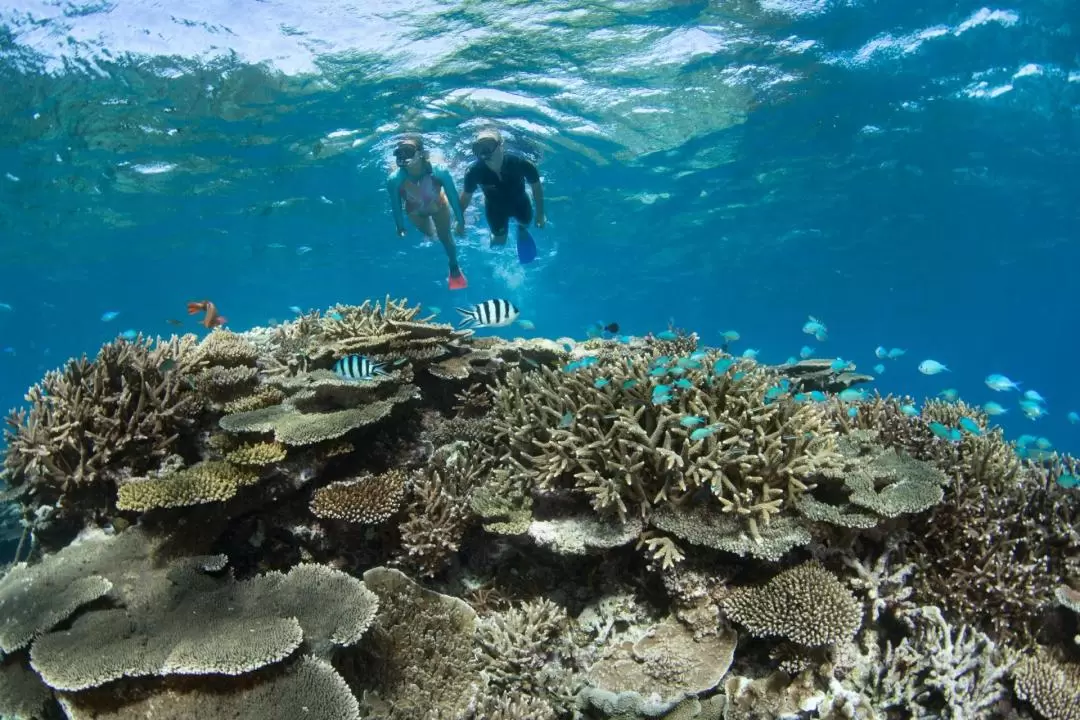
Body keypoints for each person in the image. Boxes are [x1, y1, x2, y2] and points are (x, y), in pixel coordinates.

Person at [386, 135, 468, 290]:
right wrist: (400, 226)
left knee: (446, 238)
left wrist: (460, 220)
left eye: (408, 151)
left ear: (421, 153)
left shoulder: (439, 171)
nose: (403, 157)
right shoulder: (394, 179)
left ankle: (454, 266)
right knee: (431, 234)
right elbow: (395, 204)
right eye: (399, 153)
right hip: (415, 213)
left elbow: (452, 197)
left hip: (439, 207)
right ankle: (432, 235)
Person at [460, 128, 545, 264]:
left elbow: (537, 188)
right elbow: (465, 197)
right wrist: (459, 221)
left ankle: (521, 230)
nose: (484, 152)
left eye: (489, 146)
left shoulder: (521, 164)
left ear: (501, 145)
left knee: (524, 224)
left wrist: (540, 214)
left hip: (520, 203)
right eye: (479, 148)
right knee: (499, 242)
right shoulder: (474, 172)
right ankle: (493, 236)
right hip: (495, 208)